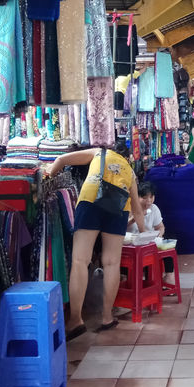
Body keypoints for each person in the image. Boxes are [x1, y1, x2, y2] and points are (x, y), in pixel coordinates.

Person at [46, 141, 143, 340]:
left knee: (81, 261)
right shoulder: (130, 172)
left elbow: (62, 159)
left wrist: (49, 175)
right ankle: (107, 317)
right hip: (118, 208)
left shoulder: (100, 152)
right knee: (112, 263)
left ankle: (75, 320)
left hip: (91, 200)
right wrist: (145, 233)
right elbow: (137, 208)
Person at [129, 181, 176, 288]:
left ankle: (169, 276)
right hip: (132, 244)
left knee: (168, 243)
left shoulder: (154, 209)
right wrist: (133, 219)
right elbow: (121, 228)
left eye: (151, 197)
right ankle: (131, 279)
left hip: (149, 242)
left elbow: (160, 227)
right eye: (145, 197)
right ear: (137, 197)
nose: (149, 201)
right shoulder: (130, 208)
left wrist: (159, 235)